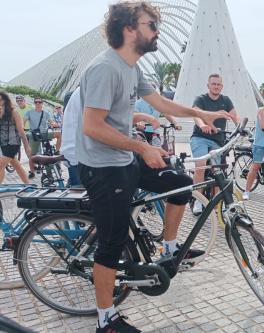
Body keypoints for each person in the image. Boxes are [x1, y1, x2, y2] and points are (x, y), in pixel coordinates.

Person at [75, 3, 231, 332]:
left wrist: (198, 113)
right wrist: (142, 147)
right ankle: (107, 319)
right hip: (104, 169)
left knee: (179, 183)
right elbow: (92, 126)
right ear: (129, 29)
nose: (157, 30)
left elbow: (160, 102)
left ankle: (170, 249)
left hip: (124, 158)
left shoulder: (131, 68)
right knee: (111, 244)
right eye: (151, 24)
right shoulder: (106, 68)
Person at [190, 73, 240, 214]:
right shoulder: (201, 99)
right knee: (201, 166)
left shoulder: (226, 100)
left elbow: (235, 116)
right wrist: (202, 125)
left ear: (222, 86)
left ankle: (217, 203)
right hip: (200, 137)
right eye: (214, 84)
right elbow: (196, 114)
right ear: (208, 85)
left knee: (218, 170)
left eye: (219, 84)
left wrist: (240, 128)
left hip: (217, 140)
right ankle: (198, 202)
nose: (216, 86)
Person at [23, 97, 61, 178]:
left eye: (39, 102)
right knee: (31, 155)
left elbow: (51, 121)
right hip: (35, 135)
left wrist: (54, 124)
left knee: (59, 134)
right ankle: (32, 172)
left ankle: (57, 151)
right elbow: (23, 121)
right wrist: (21, 128)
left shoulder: (46, 113)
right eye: (36, 102)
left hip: (45, 134)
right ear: (34, 103)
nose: (37, 104)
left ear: (42, 103)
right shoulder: (29, 112)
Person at [0, 92, 31, 184]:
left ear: (6, 101)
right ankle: (28, 185)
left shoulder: (14, 113)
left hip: (13, 144)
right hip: (4, 144)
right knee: (16, 165)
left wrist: (26, 147)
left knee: (0, 165)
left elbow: (21, 131)